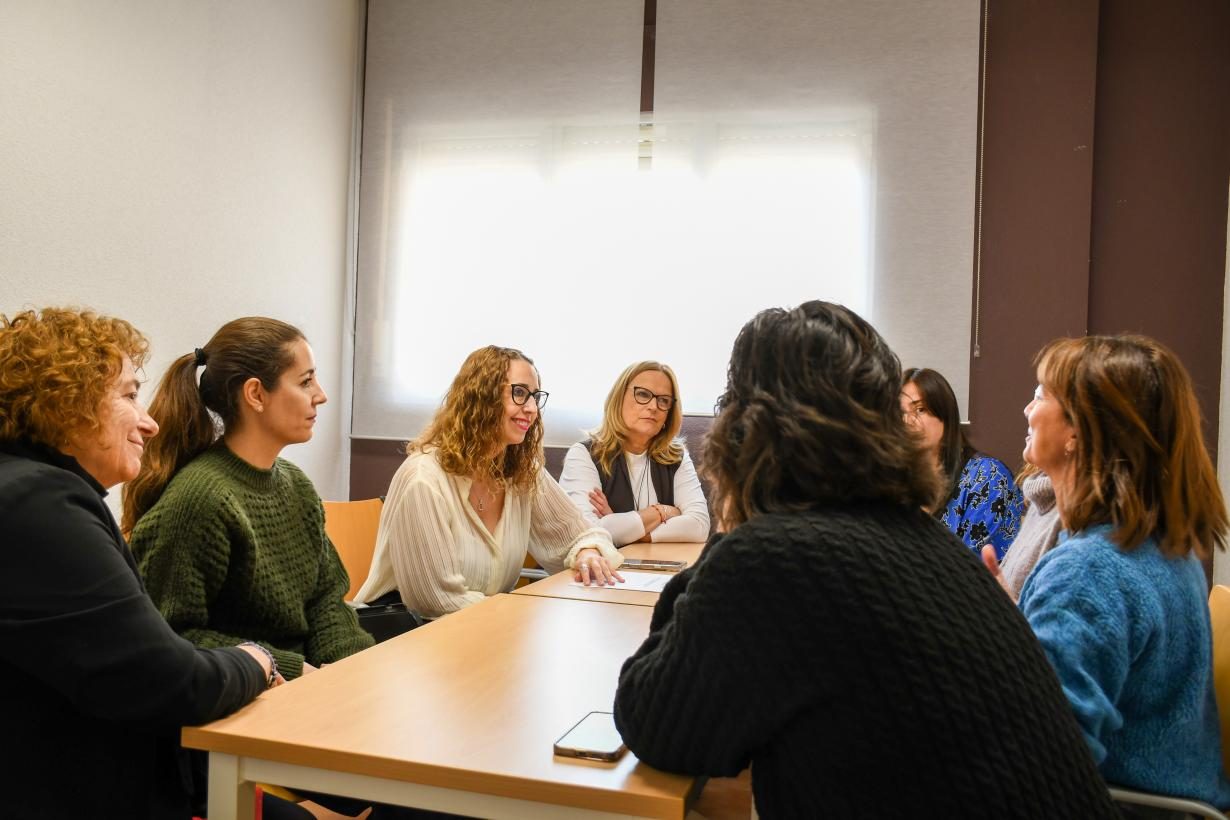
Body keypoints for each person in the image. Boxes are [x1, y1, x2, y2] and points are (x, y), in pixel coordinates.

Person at [614, 301, 1117, 819]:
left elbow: (656, 722)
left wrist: (731, 522)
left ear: (745, 428)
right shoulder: (926, 539)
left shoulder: (775, 560)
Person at [0, 307, 275, 820]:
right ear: (66, 403)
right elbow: (173, 682)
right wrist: (258, 660)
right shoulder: (38, 503)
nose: (149, 423)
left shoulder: (31, 489)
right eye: (129, 395)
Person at [1013, 335, 1230, 806]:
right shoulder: (1166, 550)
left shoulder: (1086, 572)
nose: (1028, 412)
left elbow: (1043, 767)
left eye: (1041, 395)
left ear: (1078, 432)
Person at [124, 317, 373, 681]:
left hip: (304, 690)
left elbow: (325, 601)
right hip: (241, 702)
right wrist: (284, 668)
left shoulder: (296, 485)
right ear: (256, 394)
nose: (321, 394)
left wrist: (353, 670)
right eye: (305, 381)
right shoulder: (201, 499)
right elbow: (170, 637)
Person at [355, 345, 622, 618]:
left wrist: (587, 553)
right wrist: (519, 613)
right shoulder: (423, 479)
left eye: (534, 396)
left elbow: (580, 534)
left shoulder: (522, 471)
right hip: (409, 641)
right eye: (519, 393)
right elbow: (435, 601)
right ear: (480, 398)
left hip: (484, 630)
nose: (532, 409)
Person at [558, 361, 709, 545]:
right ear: (619, 398)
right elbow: (588, 533)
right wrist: (662, 511)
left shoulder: (676, 456)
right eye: (643, 394)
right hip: (607, 571)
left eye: (664, 400)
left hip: (660, 567)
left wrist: (624, 528)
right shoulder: (584, 455)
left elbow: (699, 526)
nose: (653, 406)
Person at [901, 366, 1024, 559]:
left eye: (920, 409)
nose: (908, 421)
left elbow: (979, 568)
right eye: (899, 413)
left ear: (946, 417)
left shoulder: (987, 477)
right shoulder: (891, 481)